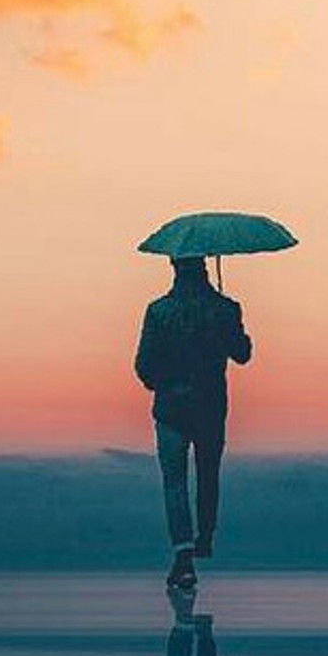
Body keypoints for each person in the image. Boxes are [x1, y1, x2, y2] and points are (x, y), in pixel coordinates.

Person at [134, 254, 252, 593]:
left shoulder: (158, 311)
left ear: (173, 266)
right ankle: (205, 537)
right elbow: (242, 354)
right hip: (211, 408)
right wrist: (233, 325)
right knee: (208, 473)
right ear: (203, 266)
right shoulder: (226, 308)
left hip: (171, 409)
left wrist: (163, 384)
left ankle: (183, 556)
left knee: (174, 483)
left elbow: (143, 366)